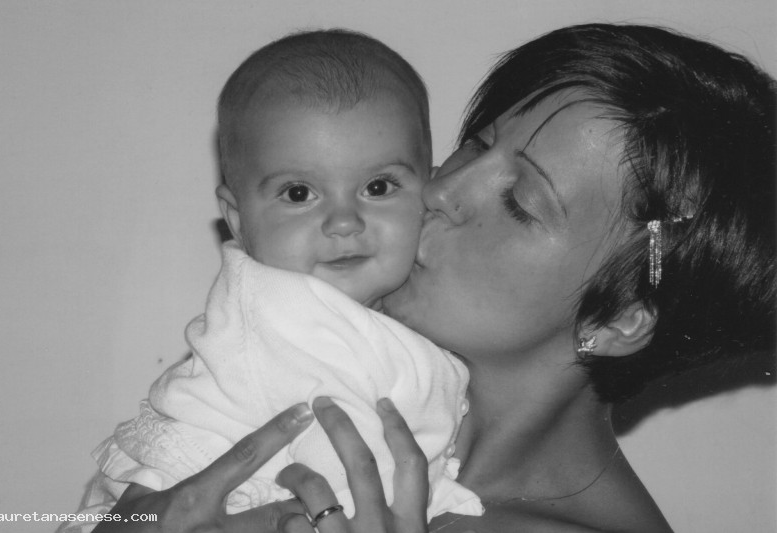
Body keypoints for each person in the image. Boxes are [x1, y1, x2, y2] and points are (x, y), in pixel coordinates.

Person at [90, 23, 775, 533]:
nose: (441, 190)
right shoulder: (297, 360)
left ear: (617, 317)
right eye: (476, 145)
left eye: (519, 201)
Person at [59, 29, 483, 533]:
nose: (344, 222)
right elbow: (173, 471)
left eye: (377, 186)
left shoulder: (431, 316)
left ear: (428, 191)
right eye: (299, 193)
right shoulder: (263, 329)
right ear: (238, 219)